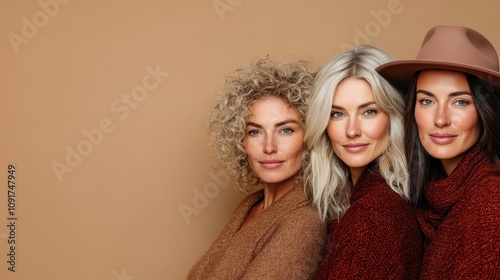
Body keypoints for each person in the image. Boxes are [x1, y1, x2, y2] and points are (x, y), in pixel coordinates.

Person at [377, 25, 500, 279]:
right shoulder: (433, 196)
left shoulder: (490, 202)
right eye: (427, 101)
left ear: (484, 111)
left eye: (460, 101)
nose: (440, 119)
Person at [187, 58, 326, 279]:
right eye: (255, 132)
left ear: (310, 136)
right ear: (239, 140)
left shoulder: (304, 223)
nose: (269, 147)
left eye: (286, 130)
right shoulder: (251, 205)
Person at [305, 44, 422, 279]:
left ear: (393, 117)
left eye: (369, 112)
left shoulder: (373, 216)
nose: (352, 130)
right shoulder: (363, 202)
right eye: (337, 114)